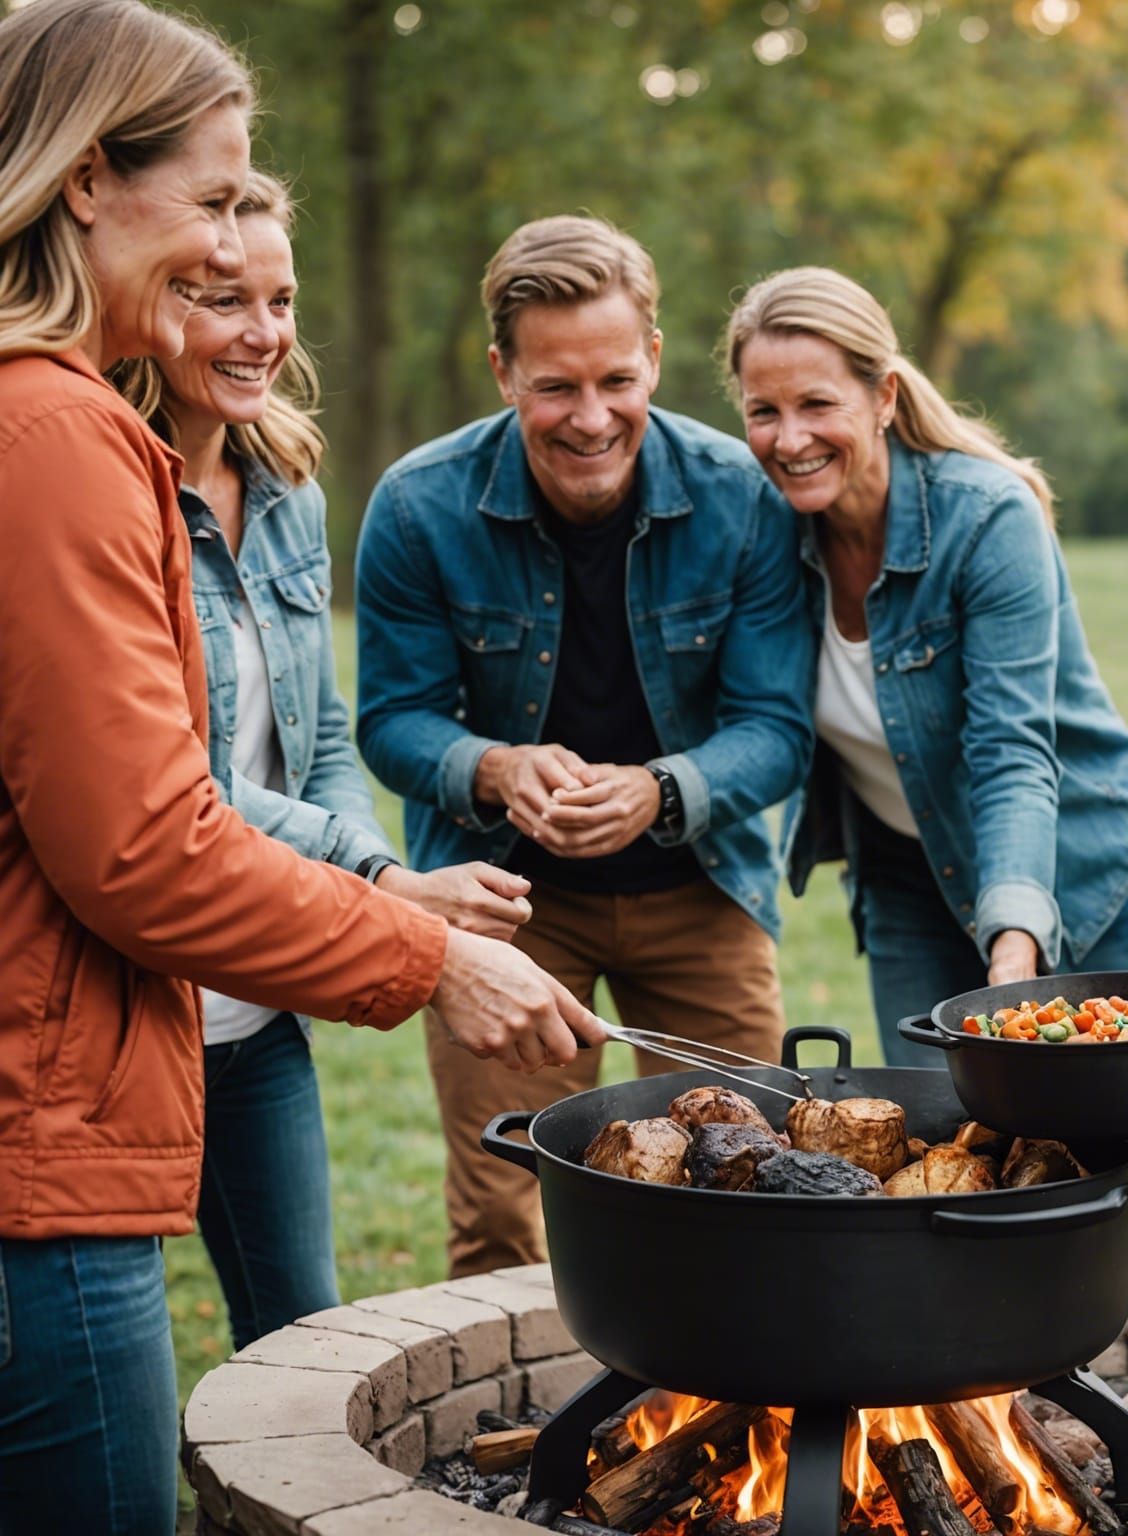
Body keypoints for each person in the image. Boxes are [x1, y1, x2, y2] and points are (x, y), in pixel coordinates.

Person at [0, 5, 601, 1530]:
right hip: (38, 1134)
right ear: (80, 182)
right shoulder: (54, 437)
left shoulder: (127, 447)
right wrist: (426, 951)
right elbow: (145, 844)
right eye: (205, 204)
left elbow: (294, 747)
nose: (225, 266)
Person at [111, 171, 540, 1348]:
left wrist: (375, 863)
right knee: (109, 1359)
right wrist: (388, 883)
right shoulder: (101, 486)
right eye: (221, 299)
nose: (263, 334)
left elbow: (318, 748)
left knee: (299, 1333)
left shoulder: (288, 488)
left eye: (281, 300)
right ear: (149, 300)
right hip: (127, 999)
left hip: (256, 1003)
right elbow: (182, 770)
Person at [355, 215, 814, 1274]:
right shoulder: (420, 507)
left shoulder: (741, 496)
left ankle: (734, 1420)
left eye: (617, 378)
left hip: (701, 891)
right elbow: (388, 718)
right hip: (506, 900)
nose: (593, 417)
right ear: (503, 371)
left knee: (751, 1183)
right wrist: (495, 768)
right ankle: (528, 1437)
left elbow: (778, 731)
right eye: (556, 386)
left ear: (654, 355)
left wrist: (662, 791)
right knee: (506, 1208)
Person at [723, 267, 1128, 1065]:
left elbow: (1010, 754)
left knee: (1075, 1157)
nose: (789, 440)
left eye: (818, 404)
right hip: (904, 868)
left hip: (1070, 867)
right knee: (939, 1140)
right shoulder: (768, 535)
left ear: (884, 397)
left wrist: (1013, 944)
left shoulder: (986, 517)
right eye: (764, 412)